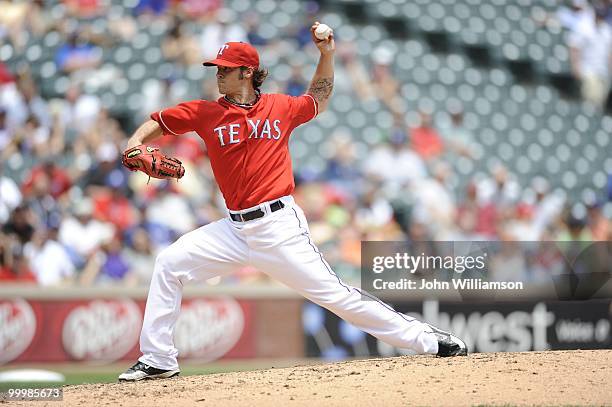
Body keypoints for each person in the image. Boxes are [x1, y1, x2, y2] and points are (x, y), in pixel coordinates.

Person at [118, 23, 467, 382]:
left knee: (337, 296)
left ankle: (428, 339)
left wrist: (327, 55)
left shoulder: (280, 107)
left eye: (225, 68)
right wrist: (133, 143)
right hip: (234, 229)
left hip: (279, 227)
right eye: (217, 68)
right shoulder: (207, 112)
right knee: (169, 263)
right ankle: (158, 357)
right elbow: (157, 122)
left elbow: (318, 97)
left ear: (247, 72)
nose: (219, 74)